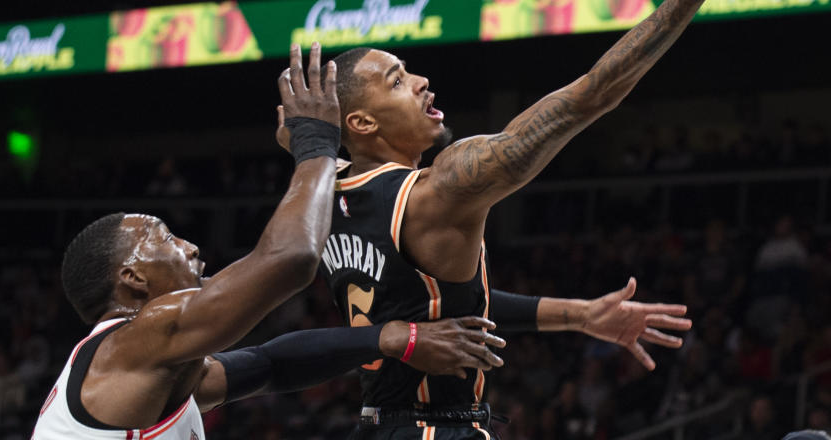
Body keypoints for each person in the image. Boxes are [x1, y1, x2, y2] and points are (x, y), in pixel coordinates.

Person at [276, 0, 772, 437]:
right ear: (361, 122)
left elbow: (449, 304)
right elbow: (591, 96)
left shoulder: (321, 188)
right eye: (396, 80)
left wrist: (580, 315)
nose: (421, 81)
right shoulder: (443, 188)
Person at [32, 44, 506, 440]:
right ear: (133, 278)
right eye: (166, 238)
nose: (191, 247)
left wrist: (387, 338)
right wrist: (317, 145)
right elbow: (292, 258)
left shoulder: (159, 370)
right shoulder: (139, 337)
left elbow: (270, 365)